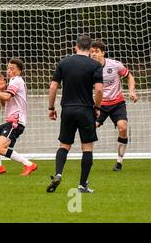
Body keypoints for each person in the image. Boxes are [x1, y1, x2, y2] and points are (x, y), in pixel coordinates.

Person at [47, 34, 103, 193]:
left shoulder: (64, 63)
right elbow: (99, 89)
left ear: (75, 47)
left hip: (68, 109)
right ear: (91, 49)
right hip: (86, 110)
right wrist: (97, 107)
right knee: (87, 147)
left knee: (64, 145)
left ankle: (58, 174)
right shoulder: (95, 65)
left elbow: (53, 87)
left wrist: (51, 108)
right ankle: (82, 184)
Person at [0, 59, 38, 176]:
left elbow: (7, 97)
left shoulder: (16, 81)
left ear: (19, 71)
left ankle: (28, 164)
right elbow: (5, 103)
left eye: (12, 68)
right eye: (8, 68)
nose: (9, 71)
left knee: (0, 148)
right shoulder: (13, 82)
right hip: (10, 121)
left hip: (16, 122)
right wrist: (2, 90)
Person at [90, 39, 138, 171]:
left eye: (97, 51)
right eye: (91, 52)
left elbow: (129, 76)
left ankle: (119, 162)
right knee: (90, 128)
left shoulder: (115, 65)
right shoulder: (88, 68)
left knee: (122, 128)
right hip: (100, 105)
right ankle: (88, 159)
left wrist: (132, 91)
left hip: (117, 103)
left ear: (103, 52)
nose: (93, 54)